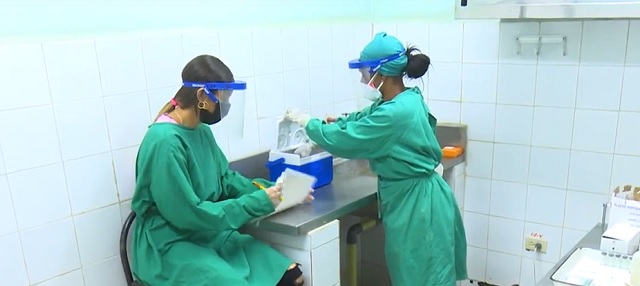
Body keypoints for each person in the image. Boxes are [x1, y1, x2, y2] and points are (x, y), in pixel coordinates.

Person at [285, 32, 468, 286]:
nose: (363, 79)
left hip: (418, 206)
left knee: (421, 277)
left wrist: (311, 126)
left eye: (364, 73)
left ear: (381, 74)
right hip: (417, 199)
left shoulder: (397, 112)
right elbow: (360, 121)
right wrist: (323, 132)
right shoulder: (403, 99)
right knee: (417, 274)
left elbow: (352, 138)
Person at [130, 54, 310, 286]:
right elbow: (187, 213)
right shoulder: (164, 142)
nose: (225, 108)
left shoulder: (201, 131)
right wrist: (258, 202)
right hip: (170, 244)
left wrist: (280, 192)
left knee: (291, 276)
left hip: (206, 234)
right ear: (202, 96)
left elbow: (226, 180)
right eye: (223, 100)